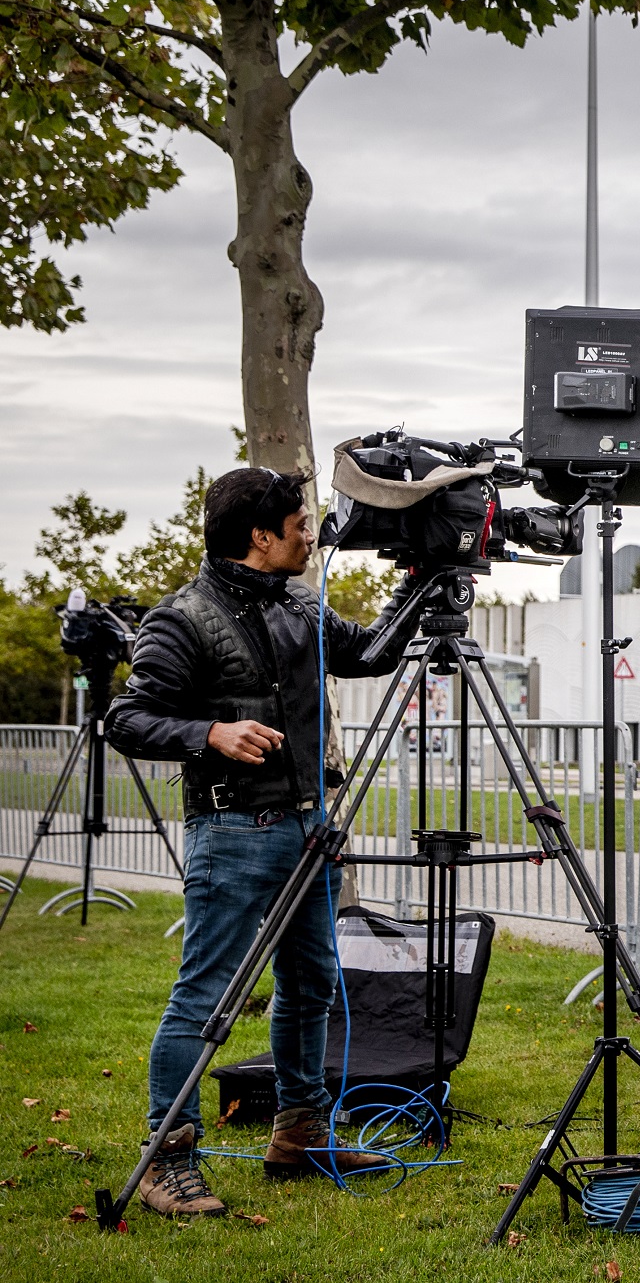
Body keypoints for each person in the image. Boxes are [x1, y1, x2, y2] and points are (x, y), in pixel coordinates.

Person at [106, 468, 424, 1217]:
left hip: (311, 828)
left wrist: (419, 584)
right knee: (206, 995)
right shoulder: (182, 618)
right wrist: (209, 732)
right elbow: (126, 719)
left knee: (311, 985)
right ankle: (166, 1160)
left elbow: (371, 654)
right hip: (232, 832)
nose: (312, 535)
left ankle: (299, 1136)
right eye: (300, 525)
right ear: (260, 536)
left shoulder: (301, 603)